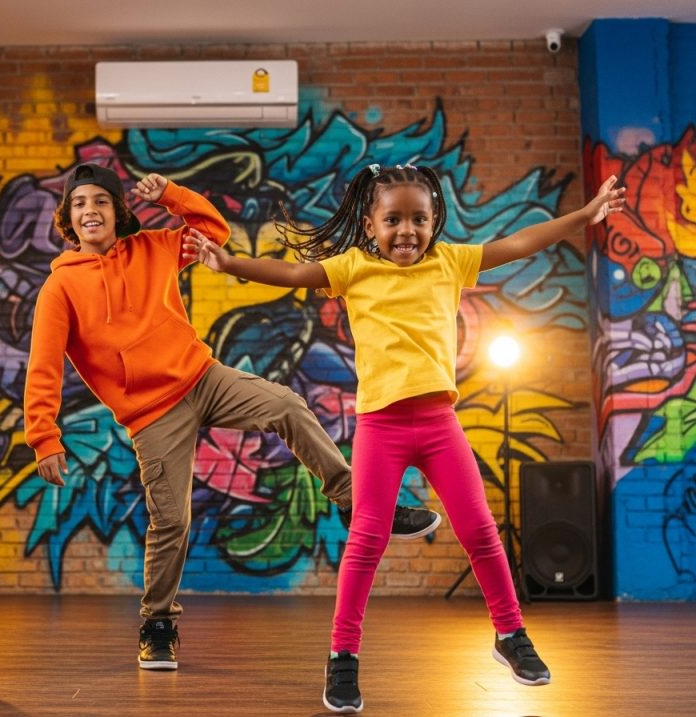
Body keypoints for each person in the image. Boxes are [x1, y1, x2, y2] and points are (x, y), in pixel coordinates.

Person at [184, 163, 625, 711]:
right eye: (393, 219)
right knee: (366, 542)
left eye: (419, 218)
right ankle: (343, 657)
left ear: (435, 219)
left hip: (439, 424)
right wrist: (229, 264)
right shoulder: (352, 268)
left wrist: (583, 216)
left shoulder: (450, 261)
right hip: (381, 428)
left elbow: (517, 243)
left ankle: (510, 635)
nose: (407, 231)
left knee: (482, 532)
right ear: (370, 225)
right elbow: (292, 275)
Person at [23, 162, 441, 671]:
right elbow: (43, 365)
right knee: (172, 521)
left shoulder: (153, 248)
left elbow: (213, 231)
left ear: (118, 212)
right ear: (69, 216)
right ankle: (158, 624)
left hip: (203, 377)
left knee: (287, 405)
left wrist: (172, 193)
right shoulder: (60, 288)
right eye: (81, 203)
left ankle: (351, 498)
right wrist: (44, 437)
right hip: (151, 414)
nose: (91, 210)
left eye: (102, 201)